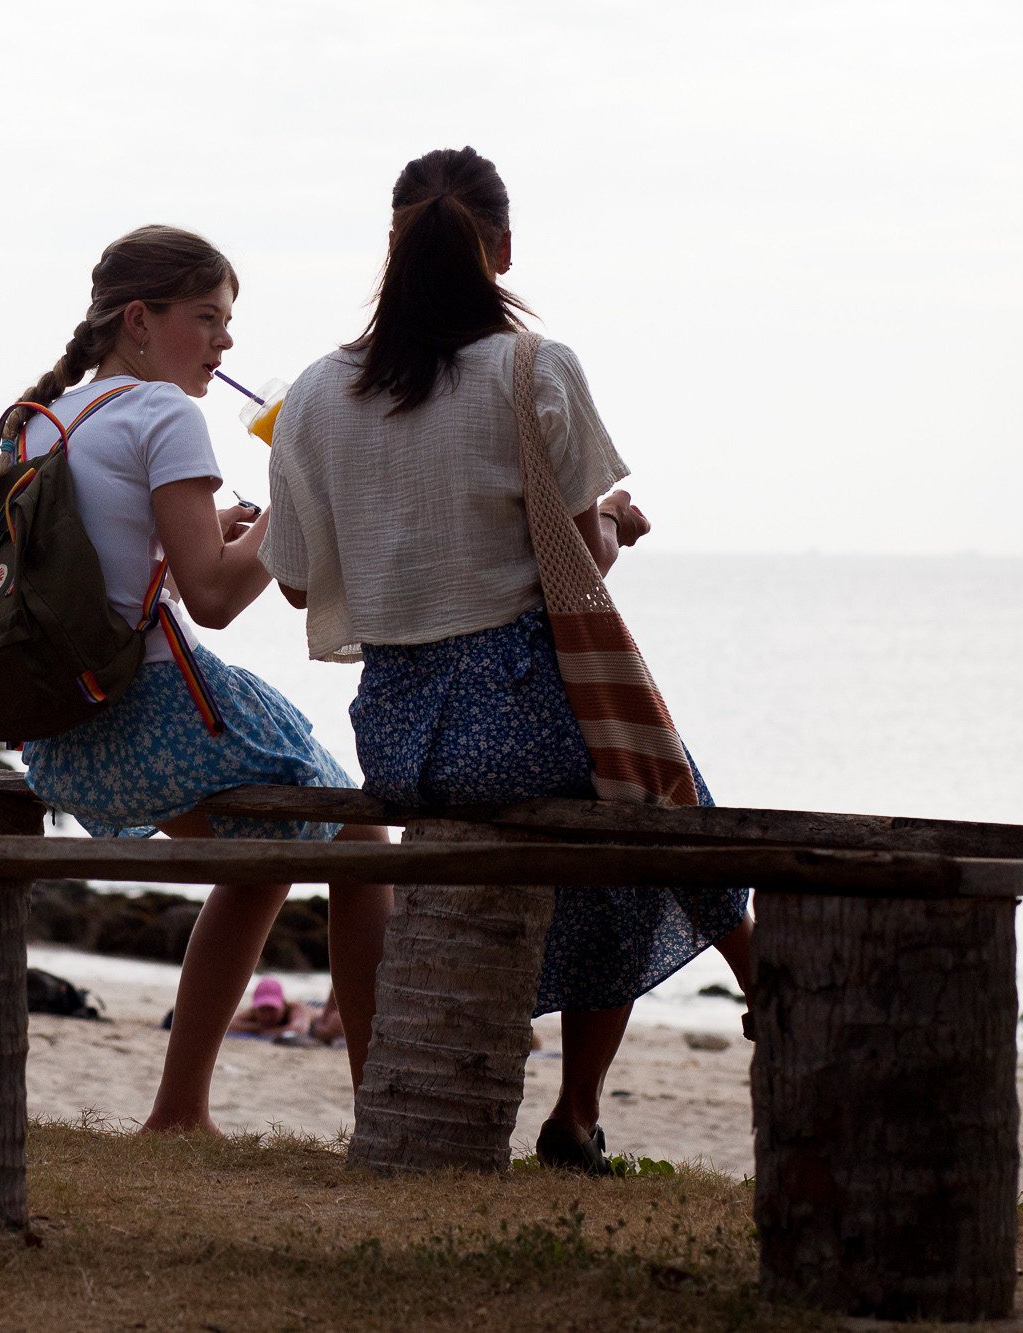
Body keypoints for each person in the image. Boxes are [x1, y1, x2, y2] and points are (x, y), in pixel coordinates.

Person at [259, 149, 755, 1174]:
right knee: (656, 794)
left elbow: (301, 588)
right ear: (504, 249)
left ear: (390, 248)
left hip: (397, 736)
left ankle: (587, 1112)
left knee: (621, 828)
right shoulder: (532, 367)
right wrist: (614, 520)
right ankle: (762, 994)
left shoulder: (311, 394)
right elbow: (575, 558)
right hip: (519, 714)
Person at [2, 225, 394, 1135]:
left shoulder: (39, 419)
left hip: (63, 736)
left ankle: (180, 1111)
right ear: (140, 320)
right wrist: (294, 497)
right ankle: (384, 1113)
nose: (225, 344)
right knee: (364, 830)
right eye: (209, 319)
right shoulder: (167, 416)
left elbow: (135, 573)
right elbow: (211, 601)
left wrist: (228, 528)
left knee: (264, 859)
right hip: (151, 717)